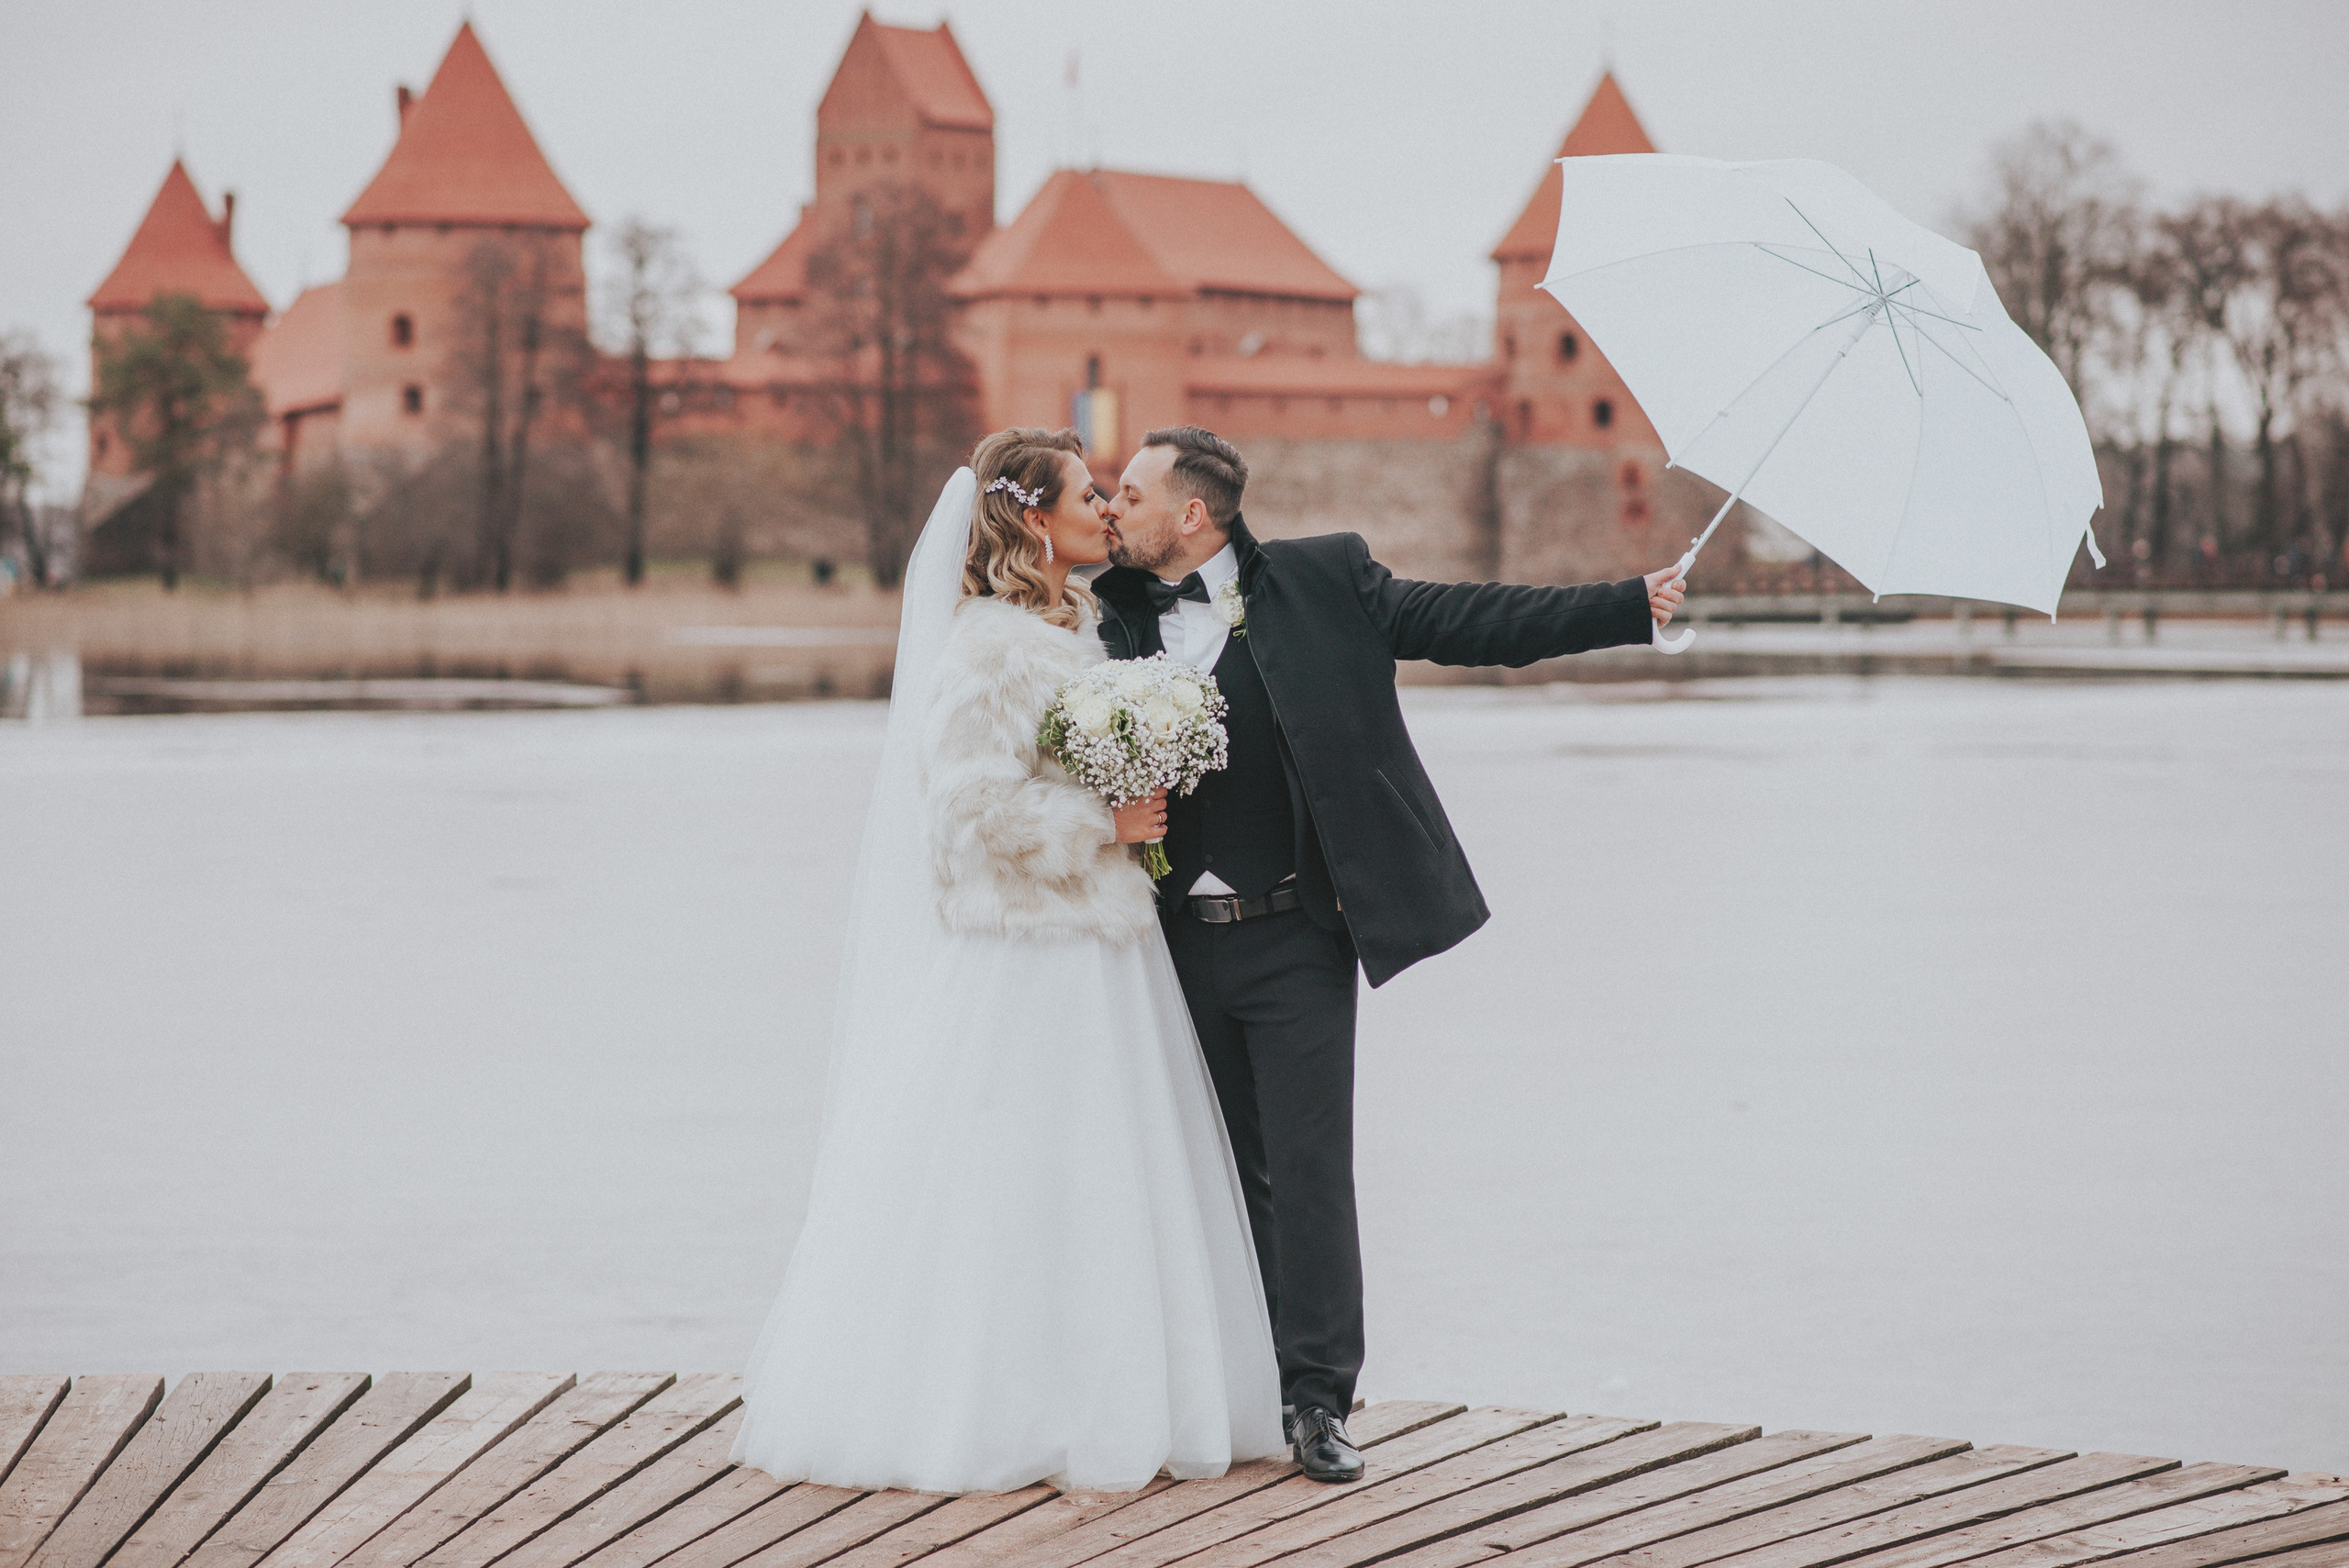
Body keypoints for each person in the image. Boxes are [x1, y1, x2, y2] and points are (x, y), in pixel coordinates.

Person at [1094, 426, 1683, 1482]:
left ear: (1193, 513)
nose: (1109, 509)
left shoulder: (1326, 578)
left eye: (1128, 494)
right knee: (1213, 1173)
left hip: (1295, 936)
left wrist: (1626, 602)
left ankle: (1316, 1399)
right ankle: (1221, 1386)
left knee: (1310, 1171)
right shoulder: (1104, 612)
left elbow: (1473, 621)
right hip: (1165, 944)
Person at [730, 428, 1284, 1495]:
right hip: (1032, 955)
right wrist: (1106, 821)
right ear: (1037, 518)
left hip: (1104, 951)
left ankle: (1111, 1392)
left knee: (1106, 1184)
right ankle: (996, 1405)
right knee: (1017, 1181)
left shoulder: (1076, 625)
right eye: (1089, 492)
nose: (1107, 509)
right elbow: (964, 816)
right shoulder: (989, 648)